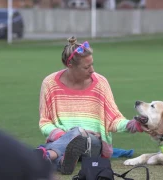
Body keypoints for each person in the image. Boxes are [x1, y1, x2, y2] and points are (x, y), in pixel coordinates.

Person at [37, 36, 144, 175]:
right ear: (70, 66)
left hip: (93, 144)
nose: (92, 70)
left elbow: (113, 119)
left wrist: (134, 124)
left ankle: (47, 155)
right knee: (77, 134)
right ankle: (63, 162)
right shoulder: (49, 83)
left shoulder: (100, 83)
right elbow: (45, 123)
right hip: (61, 142)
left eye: (92, 64)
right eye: (87, 67)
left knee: (81, 135)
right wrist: (66, 135)